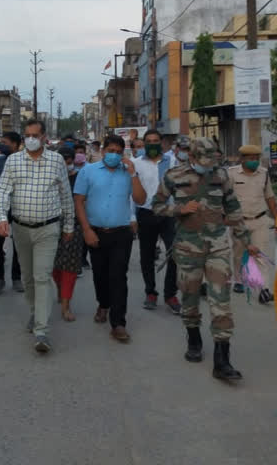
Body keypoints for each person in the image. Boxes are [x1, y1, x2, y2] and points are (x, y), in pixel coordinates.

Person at [152, 137, 258, 380]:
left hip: (218, 247)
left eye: (212, 162)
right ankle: (194, 338)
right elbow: (156, 205)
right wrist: (179, 210)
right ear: (191, 157)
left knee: (221, 300)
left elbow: (233, 209)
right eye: (204, 162)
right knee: (189, 296)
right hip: (188, 248)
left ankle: (223, 360)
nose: (208, 167)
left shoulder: (221, 176)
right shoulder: (173, 176)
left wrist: (246, 241)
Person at [0, 120, 75, 353]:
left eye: (35, 135)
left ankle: (42, 330)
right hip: (20, 228)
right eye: (27, 135)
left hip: (48, 229)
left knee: (42, 276)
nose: (30, 139)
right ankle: (34, 311)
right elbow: (2, 191)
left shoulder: (56, 160)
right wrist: (1, 217)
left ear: (44, 137)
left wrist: (68, 225)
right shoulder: (13, 160)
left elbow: (65, 194)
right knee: (29, 277)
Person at [74, 135, 146, 343]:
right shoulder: (88, 171)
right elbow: (78, 201)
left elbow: (140, 199)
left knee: (118, 277)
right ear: (103, 151)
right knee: (100, 275)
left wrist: (133, 173)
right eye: (110, 150)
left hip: (121, 233)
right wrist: (86, 229)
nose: (113, 155)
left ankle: (118, 323)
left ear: (122, 153)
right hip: (95, 231)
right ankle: (103, 303)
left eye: (118, 151)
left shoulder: (129, 173)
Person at [131, 130, 182, 314]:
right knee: (147, 255)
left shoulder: (173, 162)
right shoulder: (136, 164)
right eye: (149, 141)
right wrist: (132, 217)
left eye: (156, 141)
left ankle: (170, 295)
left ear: (162, 143)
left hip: (169, 214)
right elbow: (132, 193)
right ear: (144, 144)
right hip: (146, 213)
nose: (152, 144)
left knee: (174, 254)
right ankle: (150, 292)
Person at [229, 144, 277, 304]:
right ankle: (238, 280)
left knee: (261, 254)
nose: (254, 161)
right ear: (242, 159)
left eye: (256, 158)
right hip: (239, 222)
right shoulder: (232, 174)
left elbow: (269, 197)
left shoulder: (263, 174)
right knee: (239, 253)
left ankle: (264, 289)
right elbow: (226, 198)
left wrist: (276, 218)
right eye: (250, 159)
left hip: (260, 219)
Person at [0, 131, 24, 295]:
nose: (3, 145)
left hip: (21, 209)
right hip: (1, 209)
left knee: (19, 244)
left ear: (16, 144)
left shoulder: (25, 161)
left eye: (6, 142)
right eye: (2, 142)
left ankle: (17, 277)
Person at [52, 147, 84, 322]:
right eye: (62, 160)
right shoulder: (50, 178)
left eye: (69, 160)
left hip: (75, 228)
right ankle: (59, 289)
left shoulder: (80, 179)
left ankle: (66, 305)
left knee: (69, 269)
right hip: (51, 225)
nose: (66, 164)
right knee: (54, 268)